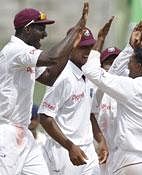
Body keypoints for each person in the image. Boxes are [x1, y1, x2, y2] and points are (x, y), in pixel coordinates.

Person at [0, 3, 88, 175]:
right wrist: (76, 30)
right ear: (27, 29)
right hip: (6, 133)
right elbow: (52, 57)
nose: (45, 34)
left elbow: (49, 77)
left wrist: (70, 46)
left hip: (24, 133)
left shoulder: (26, 55)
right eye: (41, 28)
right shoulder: (15, 50)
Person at [82, 20, 142, 175]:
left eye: (130, 62)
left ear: (139, 66)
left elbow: (92, 71)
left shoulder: (130, 87)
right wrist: (131, 48)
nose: (128, 67)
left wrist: (102, 39)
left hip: (131, 161)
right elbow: (113, 75)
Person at [38, 26, 109, 175]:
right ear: (70, 48)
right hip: (64, 151)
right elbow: (45, 117)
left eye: (90, 46)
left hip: (88, 149)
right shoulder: (62, 77)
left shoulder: (89, 73)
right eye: (83, 47)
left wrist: (100, 140)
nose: (88, 51)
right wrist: (69, 146)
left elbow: (89, 113)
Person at [91, 46, 121, 174]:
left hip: (120, 154)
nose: (112, 67)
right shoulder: (93, 88)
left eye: (116, 62)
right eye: (109, 63)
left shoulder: (127, 89)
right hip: (98, 153)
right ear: (101, 66)